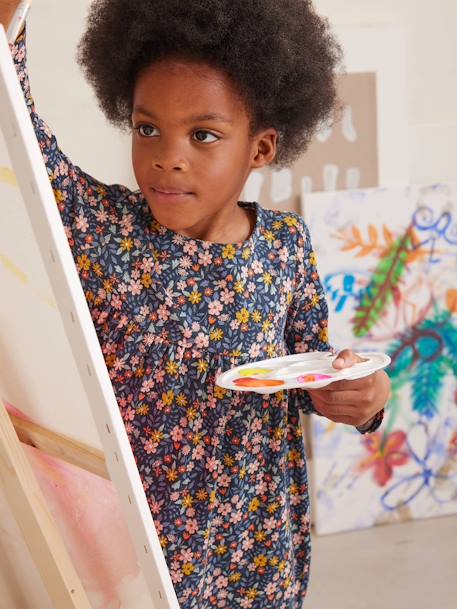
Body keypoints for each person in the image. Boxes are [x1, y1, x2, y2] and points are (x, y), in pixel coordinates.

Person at [2, 1, 390, 607]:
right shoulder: (105, 226)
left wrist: (362, 399)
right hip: (142, 548)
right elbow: (19, 124)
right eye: (147, 127)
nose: (168, 155)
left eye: (203, 135)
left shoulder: (286, 246)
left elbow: (316, 370)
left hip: (259, 542)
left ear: (261, 149)